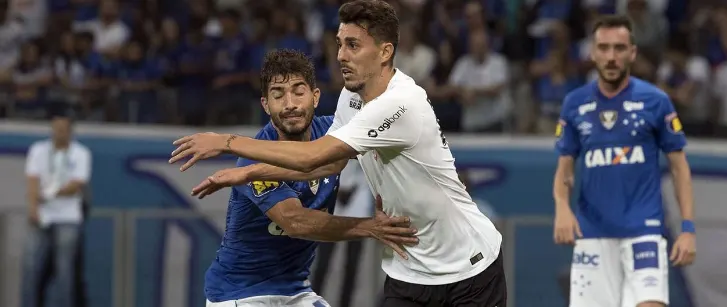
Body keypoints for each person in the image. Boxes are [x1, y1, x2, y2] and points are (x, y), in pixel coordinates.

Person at [169, 1, 506, 306]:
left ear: (385, 52)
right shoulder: (351, 96)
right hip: (411, 267)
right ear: (265, 103)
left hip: (468, 266)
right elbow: (330, 163)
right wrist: (252, 172)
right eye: (340, 45)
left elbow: (313, 157)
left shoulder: (400, 105)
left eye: (353, 45)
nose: (342, 55)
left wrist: (226, 142)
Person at [201, 48, 418, 307]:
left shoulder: (332, 132)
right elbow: (295, 222)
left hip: (297, 292)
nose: (290, 104)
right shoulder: (256, 153)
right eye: (278, 95)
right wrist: (371, 227)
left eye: (298, 91)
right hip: (240, 295)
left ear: (315, 97)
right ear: (265, 105)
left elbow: (383, 143)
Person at [552, 15, 696, 307]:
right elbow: (565, 169)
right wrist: (562, 209)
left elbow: (679, 167)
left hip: (644, 232)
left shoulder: (655, 101)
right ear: (592, 53)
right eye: (603, 48)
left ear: (632, 52)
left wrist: (688, 229)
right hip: (592, 236)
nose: (611, 57)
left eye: (619, 48)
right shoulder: (574, 104)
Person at [22, 108, 92, 307]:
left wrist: (49, 193)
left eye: (63, 129)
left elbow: (76, 185)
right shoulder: (38, 150)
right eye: (56, 129)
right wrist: (33, 207)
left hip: (68, 218)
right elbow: (32, 180)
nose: (59, 133)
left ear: (70, 131)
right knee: (31, 269)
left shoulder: (81, 153)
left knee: (65, 272)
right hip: (42, 216)